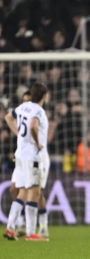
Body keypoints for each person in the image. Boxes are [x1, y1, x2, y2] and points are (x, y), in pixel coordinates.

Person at [3, 83, 50, 241]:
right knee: (34, 192)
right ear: (44, 96)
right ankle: (31, 233)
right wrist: (37, 142)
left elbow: (8, 117)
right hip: (33, 156)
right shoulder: (38, 110)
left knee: (22, 192)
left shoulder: (23, 107)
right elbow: (33, 126)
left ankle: (10, 228)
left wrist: (19, 135)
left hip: (20, 155)